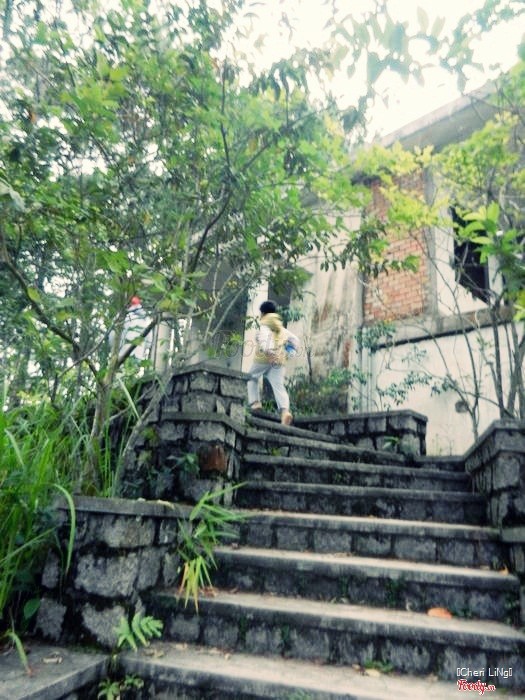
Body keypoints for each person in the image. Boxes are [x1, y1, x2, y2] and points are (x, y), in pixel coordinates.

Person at [247, 300, 300, 425]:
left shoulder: (264, 325)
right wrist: (289, 354)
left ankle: (255, 403)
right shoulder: (281, 328)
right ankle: (285, 412)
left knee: (251, 377)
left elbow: (265, 338)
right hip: (279, 360)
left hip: (264, 358)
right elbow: (295, 341)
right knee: (279, 385)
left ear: (262, 313)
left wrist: (270, 352)